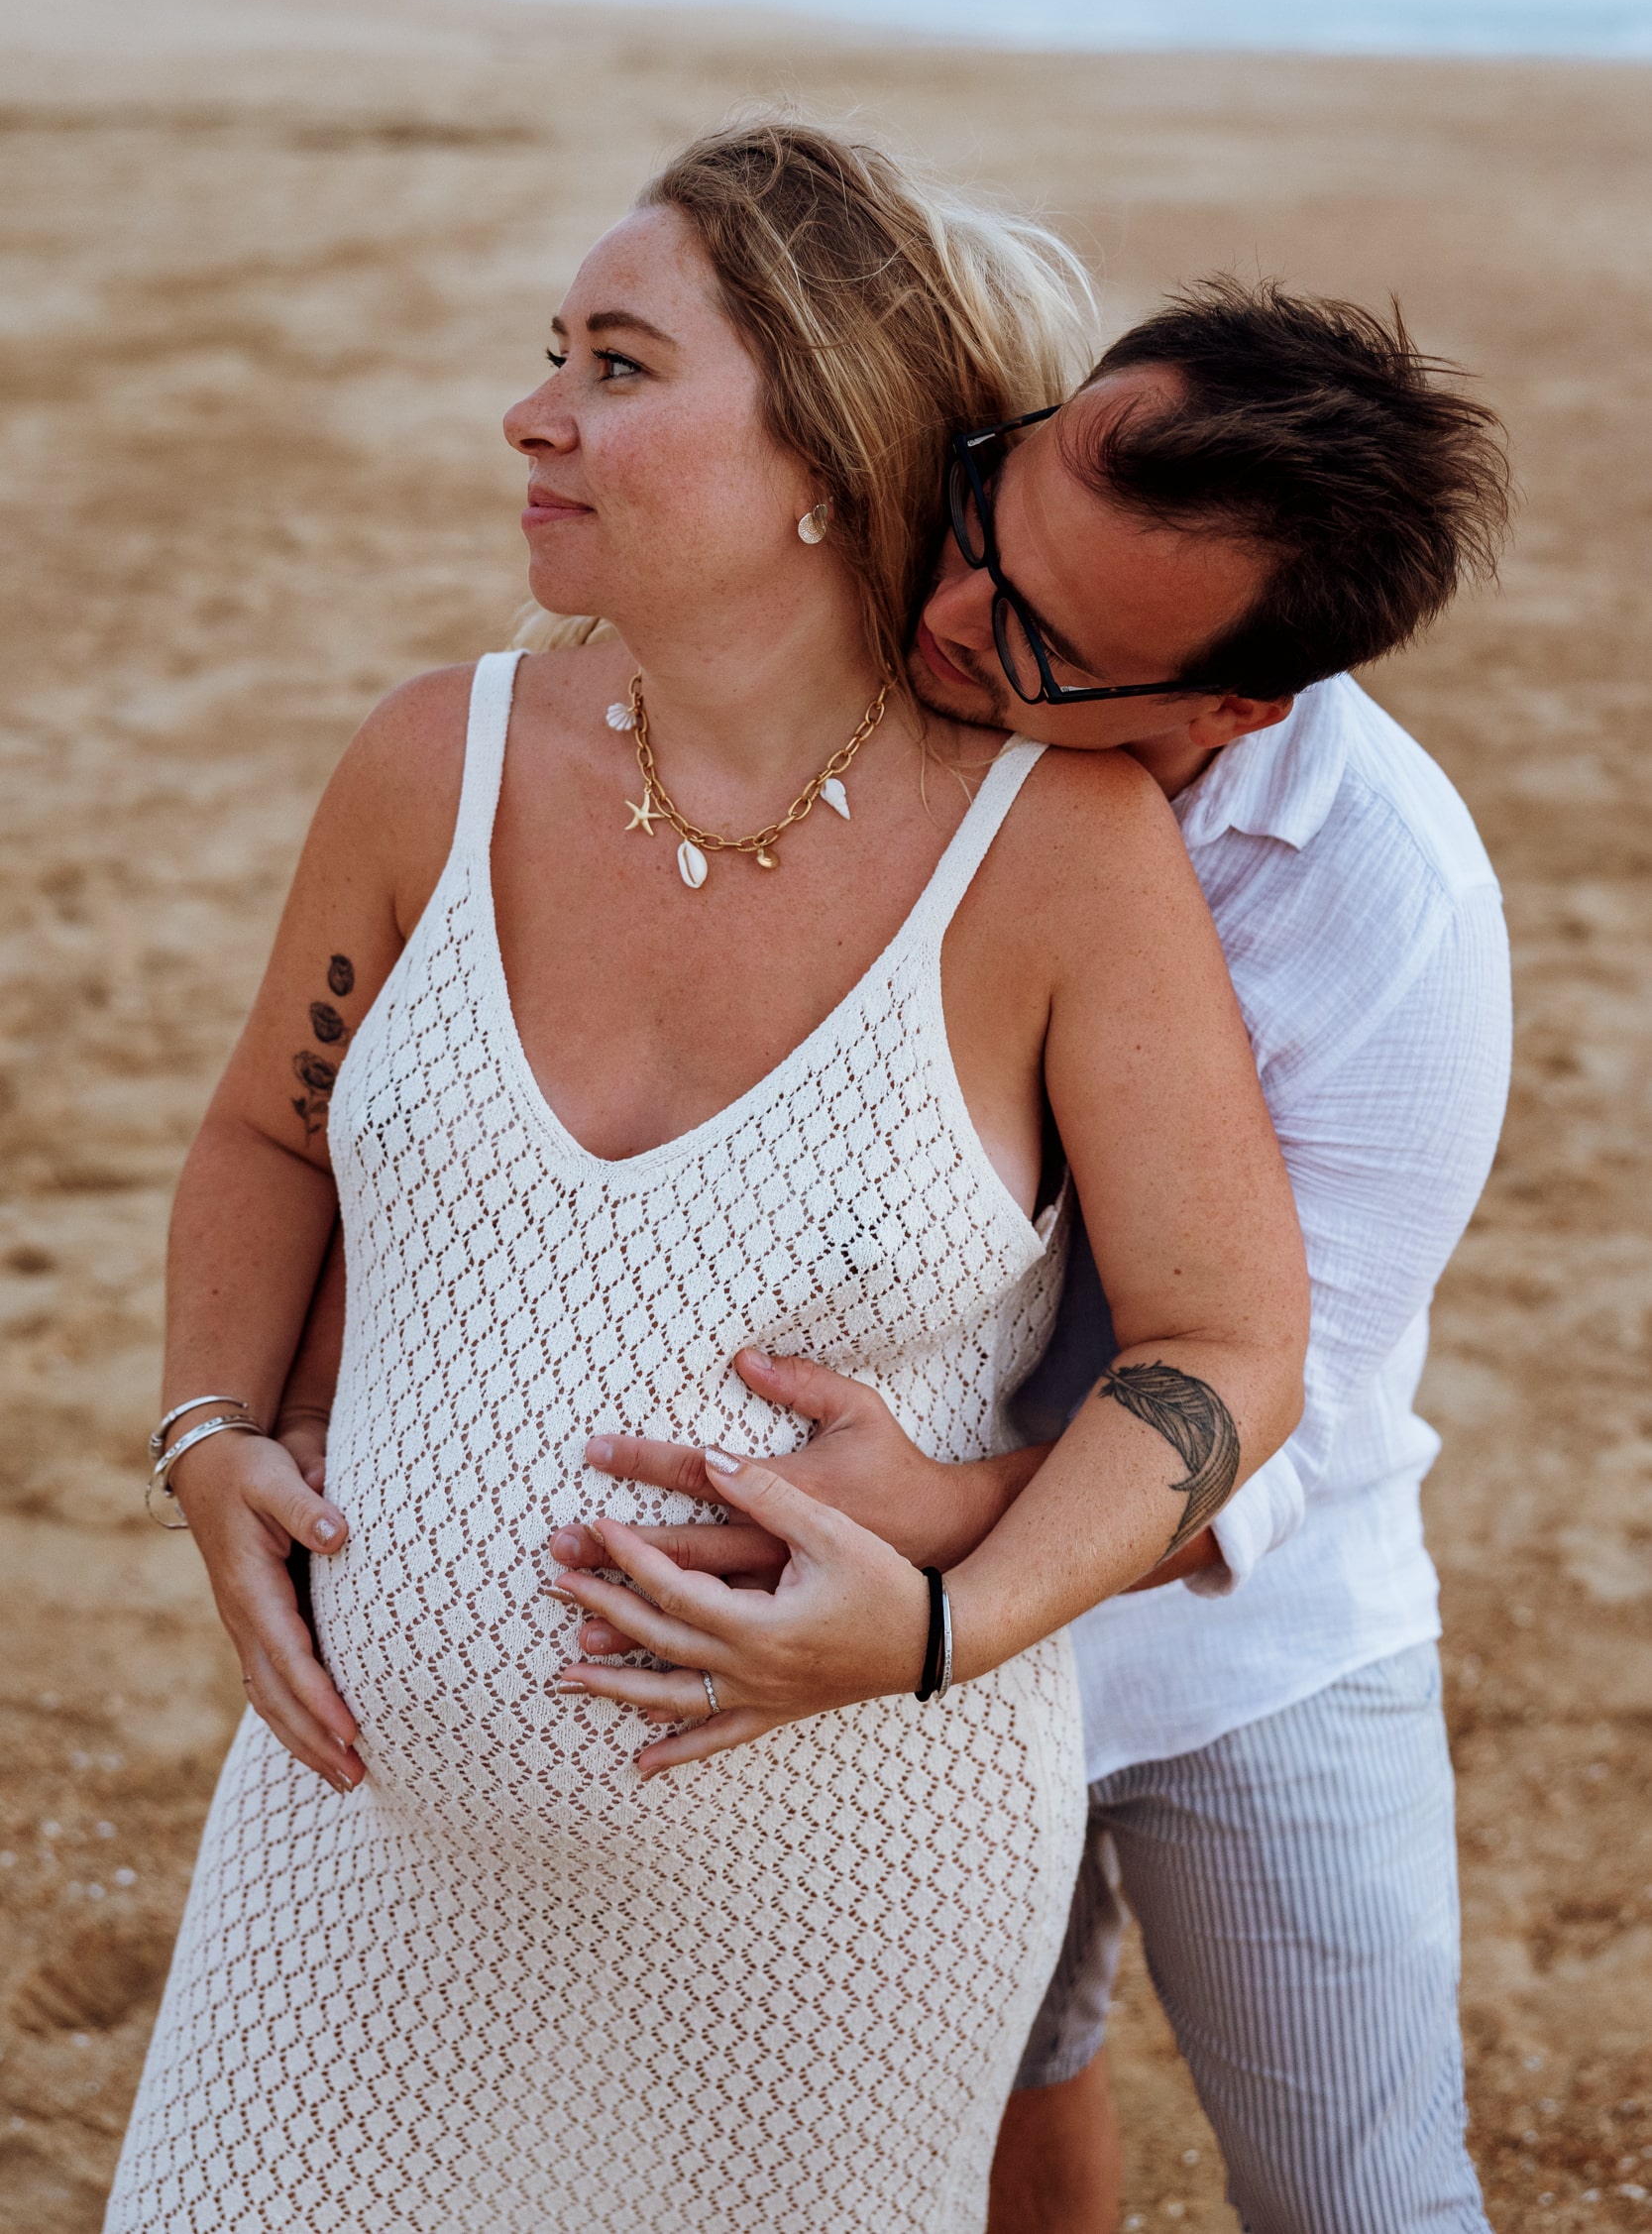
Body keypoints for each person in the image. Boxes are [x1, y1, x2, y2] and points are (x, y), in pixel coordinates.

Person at [107, 125, 1308, 2234]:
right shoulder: (430, 758)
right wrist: (209, 1428)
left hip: (847, 1894)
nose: (533, 413)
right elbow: (264, 1134)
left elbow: (1231, 1342)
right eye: (553, 349)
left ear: (828, 455)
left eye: (619, 364)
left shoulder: (1058, 853)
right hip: (359, 1847)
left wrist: (943, 1621)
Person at [535, 280, 1514, 2231]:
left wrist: (937, 1525)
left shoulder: (1391, 908)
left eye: (1047, 639)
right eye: (989, 511)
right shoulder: (893, 689)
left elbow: (1276, 1396)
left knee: (1359, 2186)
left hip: (1245, 1645)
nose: (951, 615)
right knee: (998, 2093)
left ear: (1239, 702)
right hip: (873, 1626)